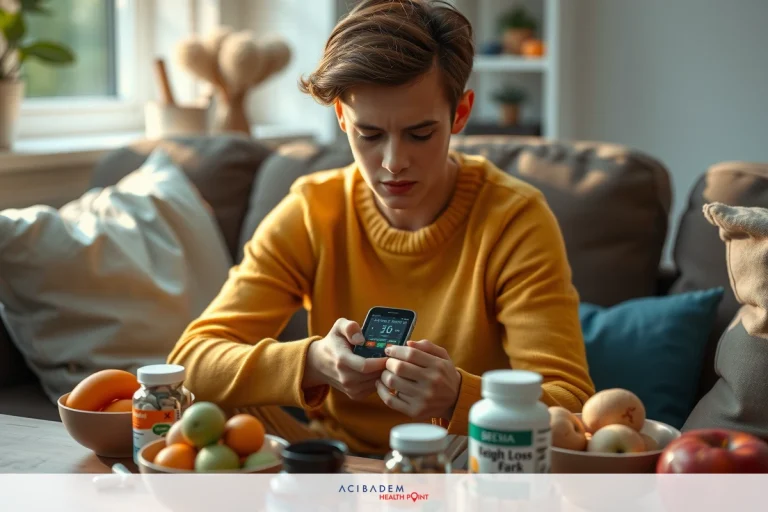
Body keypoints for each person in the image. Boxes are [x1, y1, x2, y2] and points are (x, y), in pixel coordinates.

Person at [167, 0, 594, 458]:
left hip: (465, 467)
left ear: (460, 113)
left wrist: (457, 395)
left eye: (420, 133)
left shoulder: (515, 220)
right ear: (340, 118)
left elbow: (572, 406)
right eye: (368, 135)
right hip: (333, 460)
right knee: (209, 412)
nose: (393, 164)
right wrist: (312, 362)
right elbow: (188, 363)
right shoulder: (314, 210)